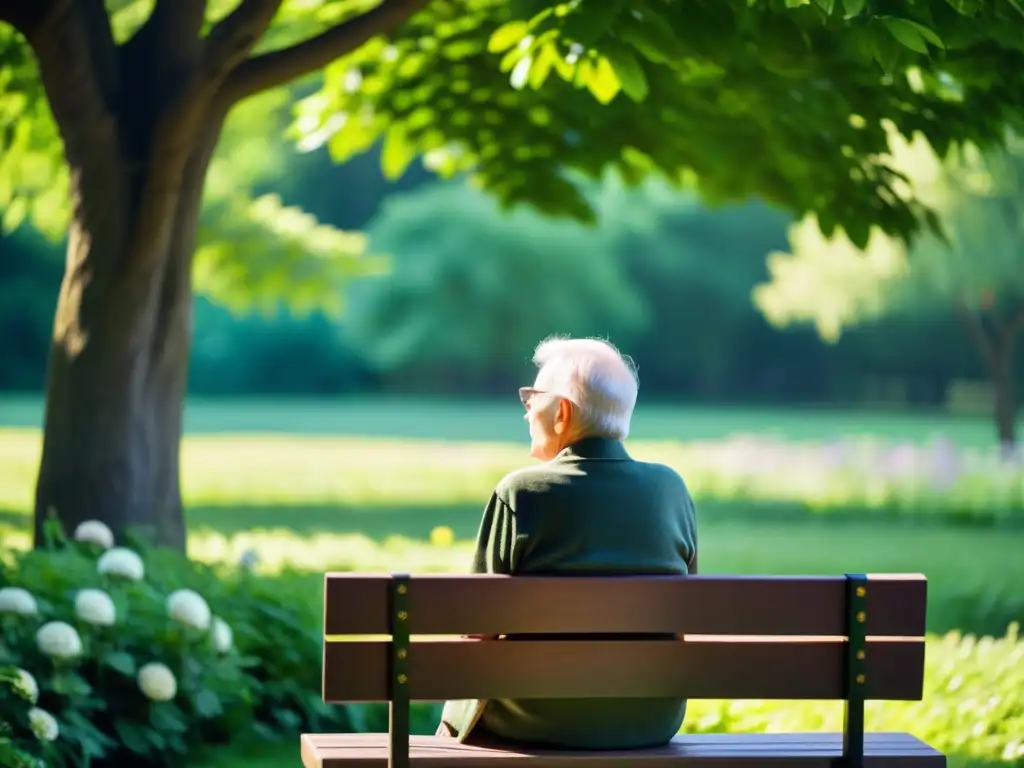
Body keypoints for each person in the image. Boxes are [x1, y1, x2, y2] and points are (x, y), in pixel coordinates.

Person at [437, 336, 698, 749]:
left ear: (561, 412)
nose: (525, 413)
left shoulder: (521, 493)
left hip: (534, 719)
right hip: (648, 718)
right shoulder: (671, 490)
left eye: (532, 398)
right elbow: (685, 615)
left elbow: (478, 632)